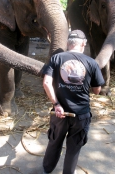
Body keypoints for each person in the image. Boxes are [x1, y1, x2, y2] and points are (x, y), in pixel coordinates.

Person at [42, 30, 105, 174]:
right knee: (74, 148)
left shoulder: (56, 58)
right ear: (83, 44)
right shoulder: (91, 62)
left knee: (54, 142)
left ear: (68, 44)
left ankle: (46, 170)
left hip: (59, 113)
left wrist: (56, 104)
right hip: (81, 114)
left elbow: (46, 83)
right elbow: (97, 90)